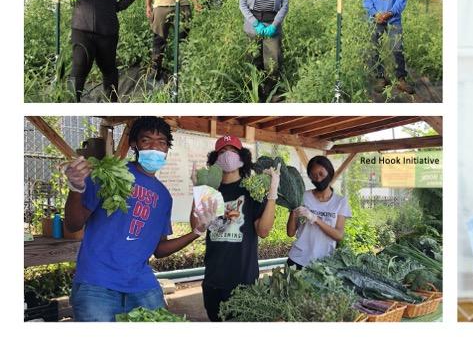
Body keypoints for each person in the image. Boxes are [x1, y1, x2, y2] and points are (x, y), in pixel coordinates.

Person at [62, 116, 217, 322]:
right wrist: (76, 188)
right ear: (135, 144)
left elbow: (160, 250)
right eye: (147, 141)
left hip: (141, 284)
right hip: (97, 282)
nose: (155, 147)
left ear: (167, 149)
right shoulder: (111, 174)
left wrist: (196, 233)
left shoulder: (164, 196)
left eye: (161, 142)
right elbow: (73, 224)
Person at [193, 135, 279, 322]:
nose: (227, 155)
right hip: (213, 280)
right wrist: (198, 191)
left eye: (232, 151)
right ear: (215, 159)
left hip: (244, 281)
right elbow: (196, 226)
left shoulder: (251, 190)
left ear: (242, 157)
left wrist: (271, 196)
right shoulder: (211, 190)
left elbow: (263, 232)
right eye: (222, 152)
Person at [50, 0, 141, 102]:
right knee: (78, 70)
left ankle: (111, 103)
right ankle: (73, 102)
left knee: (108, 69)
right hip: (82, 31)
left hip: (107, 32)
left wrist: (120, 5)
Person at [362, 0, 413, 94]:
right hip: (375, 18)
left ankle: (400, 79)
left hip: (393, 18)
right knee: (375, 48)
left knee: (397, 48)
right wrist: (375, 13)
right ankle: (380, 77)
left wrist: (391, 12)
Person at [239, 0, 289, 101]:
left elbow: (285, 6)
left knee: (272, 63)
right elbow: (242, 4)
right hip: (252, 26)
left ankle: (271, 94)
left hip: (271, 25)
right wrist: (255, 24)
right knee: (253, 60)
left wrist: (274, 25)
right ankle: (254, 93)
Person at [285, 156, 352, 268]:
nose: (318, 179)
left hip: (324, 264)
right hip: (298, 260)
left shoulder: (340, 202)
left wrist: (314, 218)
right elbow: (290, 232)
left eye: (321, 174)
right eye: (314, 175)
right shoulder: (302, 196)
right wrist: (294, 209)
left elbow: (339, 235)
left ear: (330, 173)